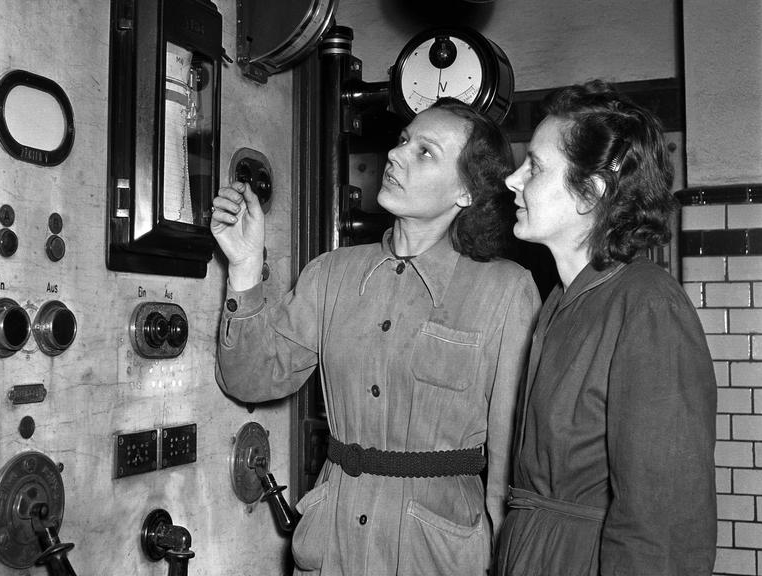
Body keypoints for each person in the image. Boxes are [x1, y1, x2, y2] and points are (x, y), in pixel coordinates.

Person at [212, 97, 540, 576]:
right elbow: (250, 381)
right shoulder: (331, 273)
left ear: (466, 192)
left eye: (425, 152)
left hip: (436, 556)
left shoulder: (506, 291)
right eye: (404, 140)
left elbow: (512, 464)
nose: (396, 154)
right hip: (333, 546)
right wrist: (244, 267)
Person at [494, 80, 717, 576]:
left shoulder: (647, 304)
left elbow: (665, 524)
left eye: (534, 166)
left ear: (589, 194)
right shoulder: (560, 302)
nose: (512, 180)